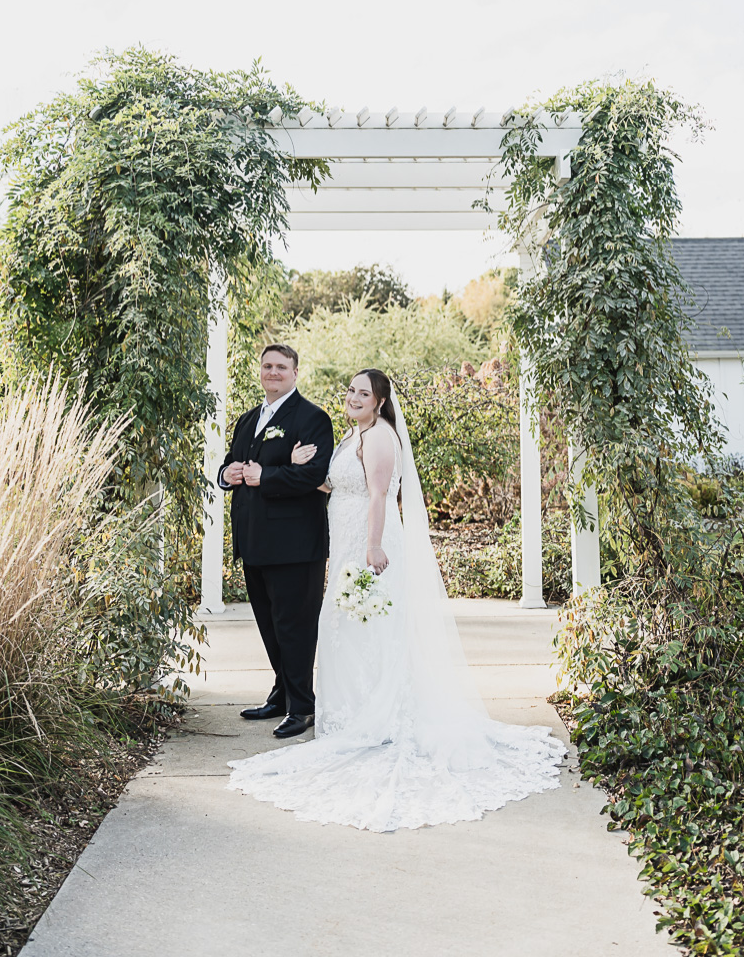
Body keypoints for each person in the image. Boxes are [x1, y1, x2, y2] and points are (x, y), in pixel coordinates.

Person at [228, 369, 564, 831]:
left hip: (368, 544)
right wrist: (296, 459)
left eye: (363, 394)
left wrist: (373, 546)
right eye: (350, 391)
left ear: (381, 401)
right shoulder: (354, 436)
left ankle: (382, 715)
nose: (353, 398)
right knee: (347, 630)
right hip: (346, 538)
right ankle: (358, 710)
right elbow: (337, 484)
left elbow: (380, 494)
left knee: (369, 627)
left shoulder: (380, 437)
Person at [218, 343, 334, 740]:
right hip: (253, 540)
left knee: (295, 626)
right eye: (267, 366)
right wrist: (227, 473)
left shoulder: (313, 418)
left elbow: (314, 476)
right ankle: (282, 694)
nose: (272, 372)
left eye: (281, 367)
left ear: (295, 373)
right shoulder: (247, 419)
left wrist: (266, 475)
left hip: (296, 544)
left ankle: (302, 707)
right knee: (269, 625)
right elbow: (233, 462)